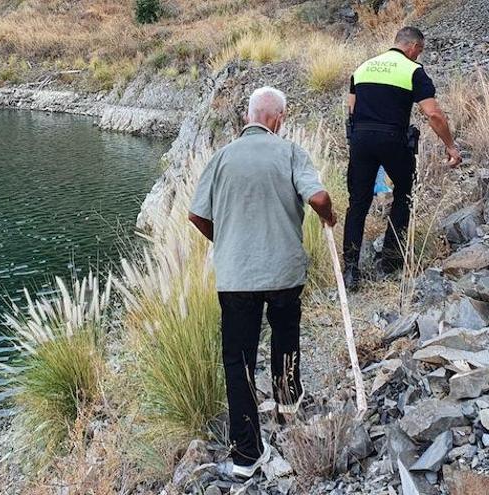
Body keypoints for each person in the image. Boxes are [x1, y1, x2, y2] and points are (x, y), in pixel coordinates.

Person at [188, 87, 337, 478]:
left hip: (237, 276)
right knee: (285, 338)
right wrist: (329, 215)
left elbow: (196, 216)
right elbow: (318, 197)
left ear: (248, 117)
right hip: (284, 271)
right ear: (279, 118)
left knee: (238, 361)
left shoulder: (220, 159)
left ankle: (246, 454)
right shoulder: (289, 152)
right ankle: (289, 407)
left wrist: (226, 242)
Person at [343, 26, 462, 291]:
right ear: (413, 47)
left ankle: (350, 270)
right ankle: (390, 261)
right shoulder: (412, 70)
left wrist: (356, 142)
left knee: (358, 203)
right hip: (392, 139)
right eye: (419, 51)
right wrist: (450, 146)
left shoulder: (363, 68)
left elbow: (351, 110)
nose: (418, 56)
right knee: (406, 192)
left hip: (361, 138)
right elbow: (434, 115)